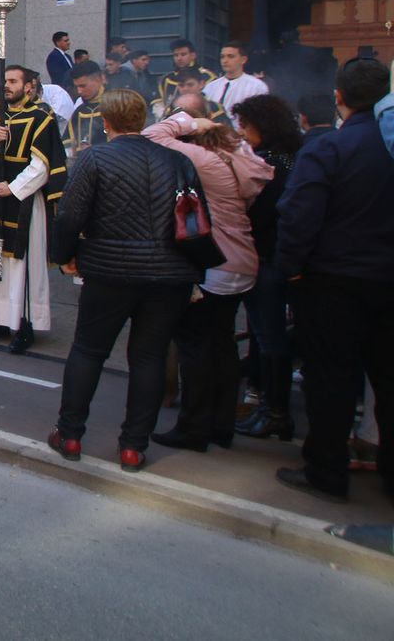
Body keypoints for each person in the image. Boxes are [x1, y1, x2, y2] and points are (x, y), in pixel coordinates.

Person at [48, 90, 201, 470]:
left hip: (110, 271)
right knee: (148, 357)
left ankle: (70, 435)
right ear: (144, 119)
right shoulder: (177, 159)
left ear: (105, 122)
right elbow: (195, 216)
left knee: (88, 350)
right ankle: (133, 445)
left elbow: (70, 214)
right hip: (168, 273)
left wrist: (63, 256)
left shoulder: (96, 157)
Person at [274, 58, 394, 502]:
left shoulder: (329, 150)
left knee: (331, 379)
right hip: (386, 279)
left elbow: (299, 217)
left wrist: (291, 268)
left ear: (339, 98)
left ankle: (327, 470)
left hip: (333, 281)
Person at [143, 96, 271, 452]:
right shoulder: (238, 156)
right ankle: (221, 425)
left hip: (213, 263)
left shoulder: (203, 160)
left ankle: (194, 429)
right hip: (242, 262)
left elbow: (150, 136)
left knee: (195, 347)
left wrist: (186, 122)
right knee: (222, 344)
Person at [0, 65, 68, 354]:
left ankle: (24, 325)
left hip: (23, 202)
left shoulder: (41, 118)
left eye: (13, 81)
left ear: (29, 87)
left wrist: (14, 187)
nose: (7, 86)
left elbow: (43, 165)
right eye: (5, 81)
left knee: (22, 265)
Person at [229, 94, 302, 441]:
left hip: (267, 257)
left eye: (245, 125)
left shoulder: (271, 165)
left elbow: (259, 215)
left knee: (269, 337)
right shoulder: (288, 158)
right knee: (265, 337)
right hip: (273, 256)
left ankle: (275, 412)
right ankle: (268, 406)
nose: (241, 132)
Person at [203, 42, 268, 120]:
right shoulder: (211, 86)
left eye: (230, 56)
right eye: (222, 57)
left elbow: (261, 115)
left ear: (243, 60)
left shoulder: (256, 86)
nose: (225, 60)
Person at [156, 38, 217, 116]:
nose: (179, 58)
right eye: (176, 55)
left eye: (183, 54)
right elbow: (159, 105)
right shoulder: (166, 79)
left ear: (193, 55)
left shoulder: (208, 76)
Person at [67, 60, 107, 153]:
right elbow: (68, 146)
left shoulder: (117, 105)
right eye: (76, 87)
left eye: (83, 86)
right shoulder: (80, 111)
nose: (79, 91)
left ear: (98, 79)